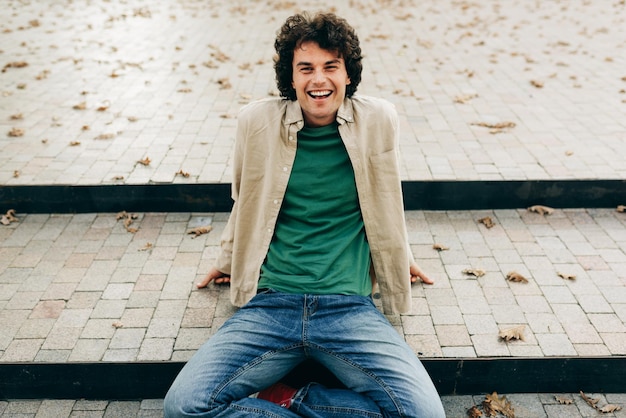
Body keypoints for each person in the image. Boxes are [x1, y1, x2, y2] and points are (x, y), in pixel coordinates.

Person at [164, 12, 445, 417]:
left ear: (348, 75)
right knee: (183, 407)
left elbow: (384, 198)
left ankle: (290, 400)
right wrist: (228, 261)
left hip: (348, 308)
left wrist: (398, 259)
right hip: (272, 305)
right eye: (306, 68)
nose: (319, 80)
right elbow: (245, 200)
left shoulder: (378, 120)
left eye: (331, 67)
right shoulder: (257, 123)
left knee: (425, 414)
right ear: (290, 78)